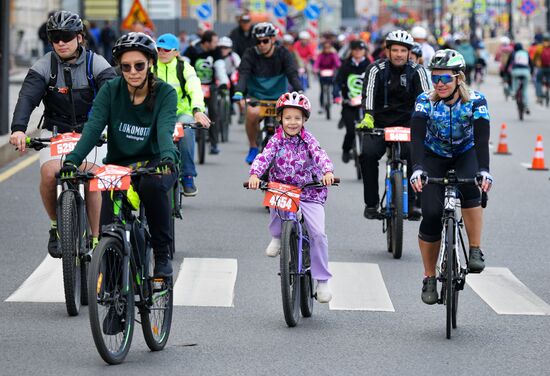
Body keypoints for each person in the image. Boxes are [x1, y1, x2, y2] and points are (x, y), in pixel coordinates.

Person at [63, 32, 180, 278]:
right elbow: (94, 128)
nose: (133, 72)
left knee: (151, 187)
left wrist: (168, 158)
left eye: (139, 65)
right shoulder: (111, 90)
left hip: (156, 163)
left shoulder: (165, 93)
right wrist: (72, 161)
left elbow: (164, 131)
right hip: (119, 166)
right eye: (125, 67)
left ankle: (160, 254)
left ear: (150, 63)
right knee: (108, 228)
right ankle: (113, 301)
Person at [9, 10, 116, 257]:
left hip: (91, 132)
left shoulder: (96, 63)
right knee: (48, 174)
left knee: (91, 176)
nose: (60, 43)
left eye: (66, 36)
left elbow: (113, 97)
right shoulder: (43, 65)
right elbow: (27, 98)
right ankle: (56, 224)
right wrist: (18, 129)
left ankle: (97, 238)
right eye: (54, 37)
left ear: (79, 37)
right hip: (56, 132)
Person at [409, 49, 493, 304]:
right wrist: (417, 167)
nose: (440, 84)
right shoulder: (425, 100)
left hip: (465, 153)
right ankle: (429, 277)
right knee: (432, 215)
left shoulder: (476, 101)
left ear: (459, 78)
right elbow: (417, 135)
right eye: (435, 78)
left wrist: (484, 170)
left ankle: (475, 248)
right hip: (434, 156)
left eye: (445, 78)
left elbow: (481, 138)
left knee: (471, 189)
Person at [248, 92, 335, 303]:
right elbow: (264, 157)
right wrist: (255, 174)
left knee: (318, 235)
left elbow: (320, 155)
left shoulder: (309, 140)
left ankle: (322, 280)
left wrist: (327, 171)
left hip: (309, 192)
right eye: (288, 118)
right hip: (283, 189)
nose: (292, 122)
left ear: (304, 119)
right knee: (275, 206)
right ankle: (277, 237)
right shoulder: (275, 140)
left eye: (297, 118)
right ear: (280, 119)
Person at [357, 30, 431, 220]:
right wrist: (368, 117)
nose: (399, 54)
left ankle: (415, 202)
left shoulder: (418, 71)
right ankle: (371, 203)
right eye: (395, 50)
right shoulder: (375, 69)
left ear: (409, 52)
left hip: (408, 124)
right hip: (379, 124)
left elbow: (425, 98)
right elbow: (369, 94)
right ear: (387, 51)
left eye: (403, 51)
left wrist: (426, 121)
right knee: (367, 155)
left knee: (417, 156)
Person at [232, 22, 303, 164]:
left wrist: (299, 89)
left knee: (289, 121)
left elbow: (292, 73)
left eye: (265, 41)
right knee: (251, 114)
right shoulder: (250, 54)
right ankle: (253, 147)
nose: (261, 44)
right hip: (256, 96)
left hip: (279, 97)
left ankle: (288, 150)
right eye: (258, 41)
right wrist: (239, 91)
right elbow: (244, 74)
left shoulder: (283, 53)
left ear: (273, 39)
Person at [155, 33, 211, 196]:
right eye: (158, 49)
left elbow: (195, 89)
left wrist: (197, 111)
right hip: (157, 114)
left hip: (182, 113)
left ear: (176, 52)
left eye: (166, 49)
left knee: (186, 132)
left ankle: (187, 175)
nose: (161, 52)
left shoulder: (185, 67)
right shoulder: (150, 66)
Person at [184, 30, 229, 155]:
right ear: (207, 42)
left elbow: (220, 68)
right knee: (190, 113)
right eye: (214, 42)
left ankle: (214, 144)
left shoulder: (216, 51)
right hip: (194, 87)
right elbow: (184, 66)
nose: (217, 44)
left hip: (211, 87)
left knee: (214, 113)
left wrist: (223, 82)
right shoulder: (191, 50)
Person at [333, 40, 370, 163]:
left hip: (366, 105)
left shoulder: (370, 65)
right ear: (352, 51)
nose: (358, 52)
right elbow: (337, 82)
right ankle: (346, 150)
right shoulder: (345, 65)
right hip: (349, 104)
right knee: (350, 131)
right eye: (355, 50)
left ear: (364, 51)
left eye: (360, 49)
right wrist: (336, 95)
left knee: (370, 132)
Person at [218, 36, 243, 123]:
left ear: (230, 48)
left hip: (231, 77)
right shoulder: (217, 56)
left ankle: (241, 112)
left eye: (226, 48)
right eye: (221, 47)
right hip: (220, 77)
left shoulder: (234, 56)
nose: (223, 50)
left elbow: (239, 67)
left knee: (237, 92)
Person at [504, 42, 534, 114]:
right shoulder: (526, 53)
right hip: (526, 72)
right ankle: (527, 106)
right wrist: (531, 72)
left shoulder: (513, 53)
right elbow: (531, 64)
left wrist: (505, 72)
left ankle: (514, 92)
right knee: (524, 91)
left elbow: (508, 64)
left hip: (516, 71)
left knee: (514, 80)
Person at [313, 41, 340, 113]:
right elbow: (316, 63)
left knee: (335, 85)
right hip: (322, 74)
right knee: (322, 90)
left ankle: (335, 97)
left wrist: (338, 67)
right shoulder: (320, 55)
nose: (327, 49)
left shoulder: (333, 54)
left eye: (328, 48)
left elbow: (337, 63)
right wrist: (315, 69)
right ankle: (322, 106)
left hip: (331, 73)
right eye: (325, 48)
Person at [535, 33, 550, 104]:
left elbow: (535, 57)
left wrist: (535, 64)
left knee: (538, 80)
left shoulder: (539, 47)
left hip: (541, 67)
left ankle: (539, 96)